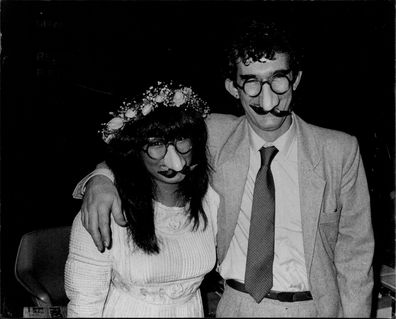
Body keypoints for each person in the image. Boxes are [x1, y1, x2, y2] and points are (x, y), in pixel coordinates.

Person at [73, 20, 374, 317]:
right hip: (237, 305)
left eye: (278, 79)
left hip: (315, 308)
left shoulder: (339, 151)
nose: (266, 99)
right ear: (233, 87)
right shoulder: (213, 135)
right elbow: (145, 144)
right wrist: (101, 178)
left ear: (295, 80)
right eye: (252, 82)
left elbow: (356, 258)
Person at [65, 81, 219, 317]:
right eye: (156, 144)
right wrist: (100, 177)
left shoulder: (210, 199)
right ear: (136, 149)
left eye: (181, 140)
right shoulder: (106, 207)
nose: (173, 157)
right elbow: (84, 304)